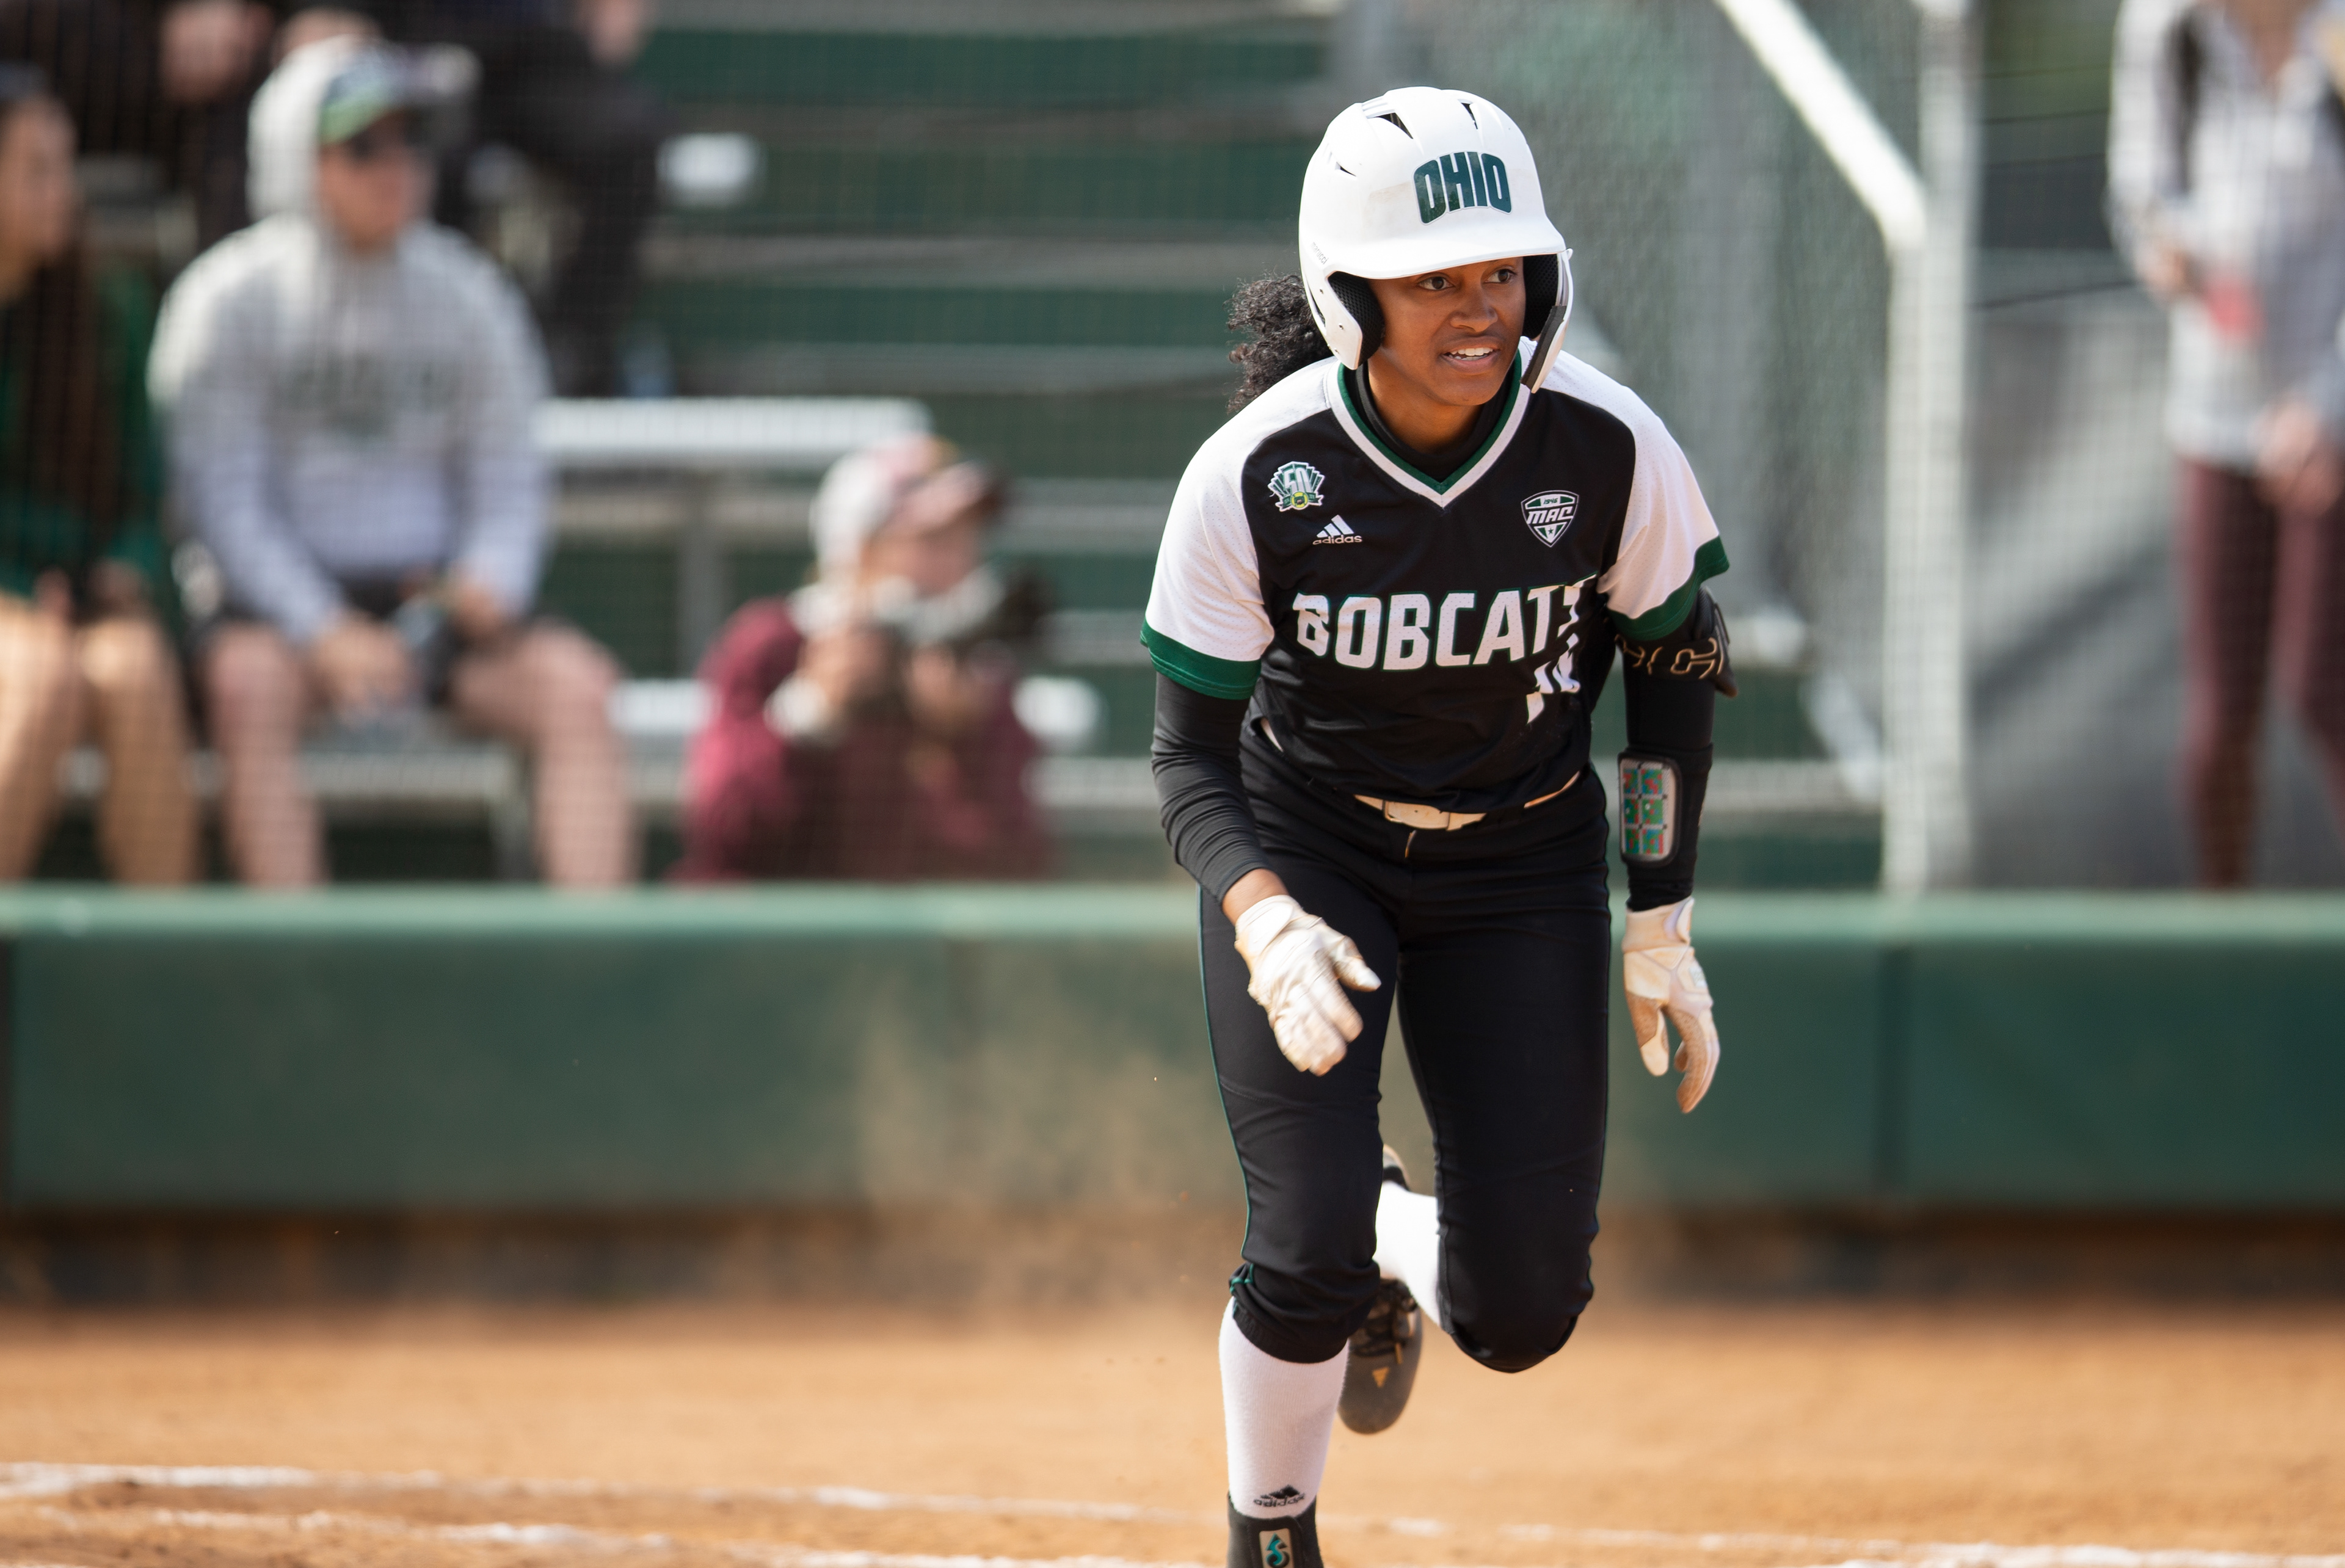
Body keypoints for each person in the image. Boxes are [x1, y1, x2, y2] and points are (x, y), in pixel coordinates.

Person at [1146, 88, 1732, 1568]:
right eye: (1432, 279)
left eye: (1499, 271)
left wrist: (1658, 915)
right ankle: (1269, 1523)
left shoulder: (1606, 444)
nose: (1478, 308)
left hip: (1523, 860)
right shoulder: (1253, 476)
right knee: (1300, 1245)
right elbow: (1187, 764)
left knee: (1521, 1311)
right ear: (1350, 297)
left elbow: (1674, 666)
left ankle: (1396, 1247)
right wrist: (1265, 917)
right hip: (1313, 844)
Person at [149, 35, 634, 887]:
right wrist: (324, 630)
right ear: (299, 157)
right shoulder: (227, 300)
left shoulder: (470, 292)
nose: (396, 166)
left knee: (580, 689)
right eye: (363, 145)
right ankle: (295, 985)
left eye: (412, 139)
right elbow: (221, 503)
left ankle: (590, 982)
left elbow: (510, 476)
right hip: (281, 611)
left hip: (430, 602)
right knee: (246, 690)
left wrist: (487, 583)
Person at [2109, 0, 2345, 885]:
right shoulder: (2165, 32)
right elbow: (2141, 191)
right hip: (2216, 412)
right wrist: (2166, 248)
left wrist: (2325, 406)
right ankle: (2221, 942)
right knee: (2218, 727)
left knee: (2325, 690)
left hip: (2334, 412)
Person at [676, 435, 1054, 882]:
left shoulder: (976, 678)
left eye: (968, 540)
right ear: (857, 549)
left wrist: (961, 744)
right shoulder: (770, 645)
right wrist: (807, 714)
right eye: (933, 540)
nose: (959, 564)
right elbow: (721, 838)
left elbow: (1017, 867)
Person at [0, 67, 198, 883]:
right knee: (44, 677)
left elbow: (144, 494)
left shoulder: (106, 307)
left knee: (136, 672)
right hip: (19, 609)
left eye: (65, 166)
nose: (62, 192)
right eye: (35, 170)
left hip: (81, 596)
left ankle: (162, 979)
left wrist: (124, 567)